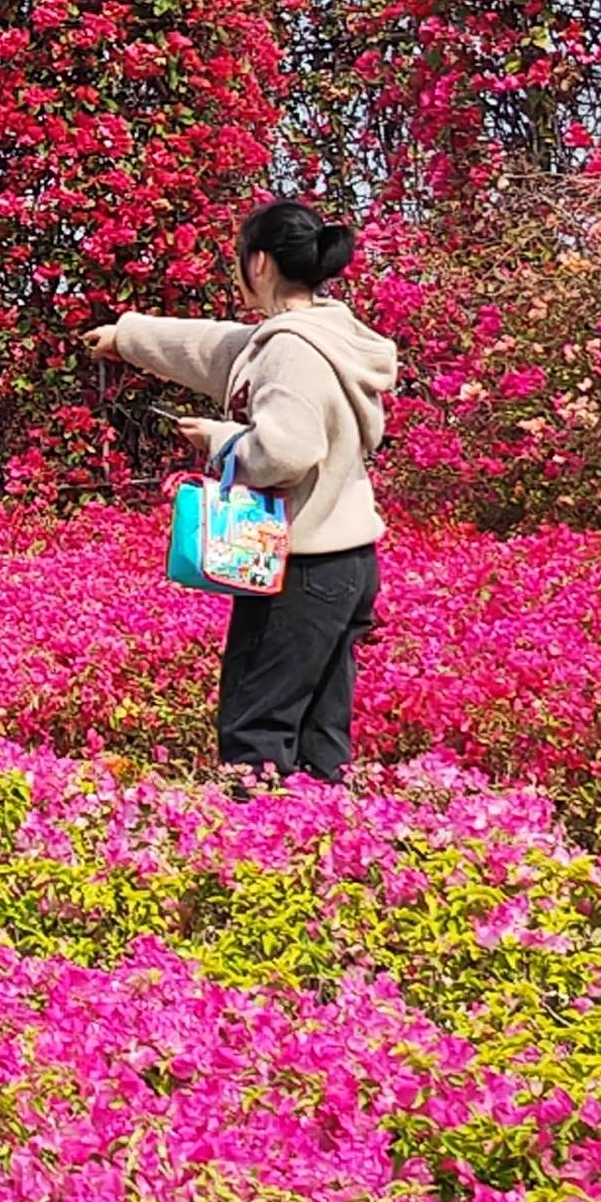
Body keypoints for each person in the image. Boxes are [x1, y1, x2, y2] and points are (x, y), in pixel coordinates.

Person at [83, 199, 401, 785]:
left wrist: (224, 441)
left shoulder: (290, 349)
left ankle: (255, 858)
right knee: (319, 741)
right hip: (345, 564)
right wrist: (126, 336)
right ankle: (325, 850)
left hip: (302, 571)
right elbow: (213, 349)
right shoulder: (322, 335)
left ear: (257, 264)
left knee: (257, 734)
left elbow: (286, 452)